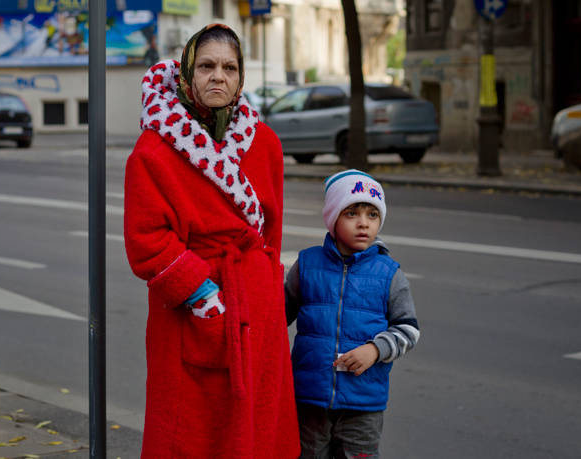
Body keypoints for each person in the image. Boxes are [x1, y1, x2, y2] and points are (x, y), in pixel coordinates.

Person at [123, 24, 299, 458]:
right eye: (206, 66)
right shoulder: (153, 151)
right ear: (187, 74)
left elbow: (270, 232)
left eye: (229, 67)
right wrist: (203, 297)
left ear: (241, 79)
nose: (218, 76)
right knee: (191, 430)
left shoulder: (266, 144)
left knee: (255, 427)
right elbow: (146, 240)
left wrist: (265, 290)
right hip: (193, 309)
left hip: (257, 310)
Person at [285, 169, 420, 458]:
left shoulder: (389, 273)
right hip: (309, 398)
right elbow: (276, 317)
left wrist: (375, 349)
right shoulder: (307, 265)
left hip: (363, 403)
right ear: (333, 218)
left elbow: (408, 330)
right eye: (352, 214)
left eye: (372, 215)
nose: (363, 224)